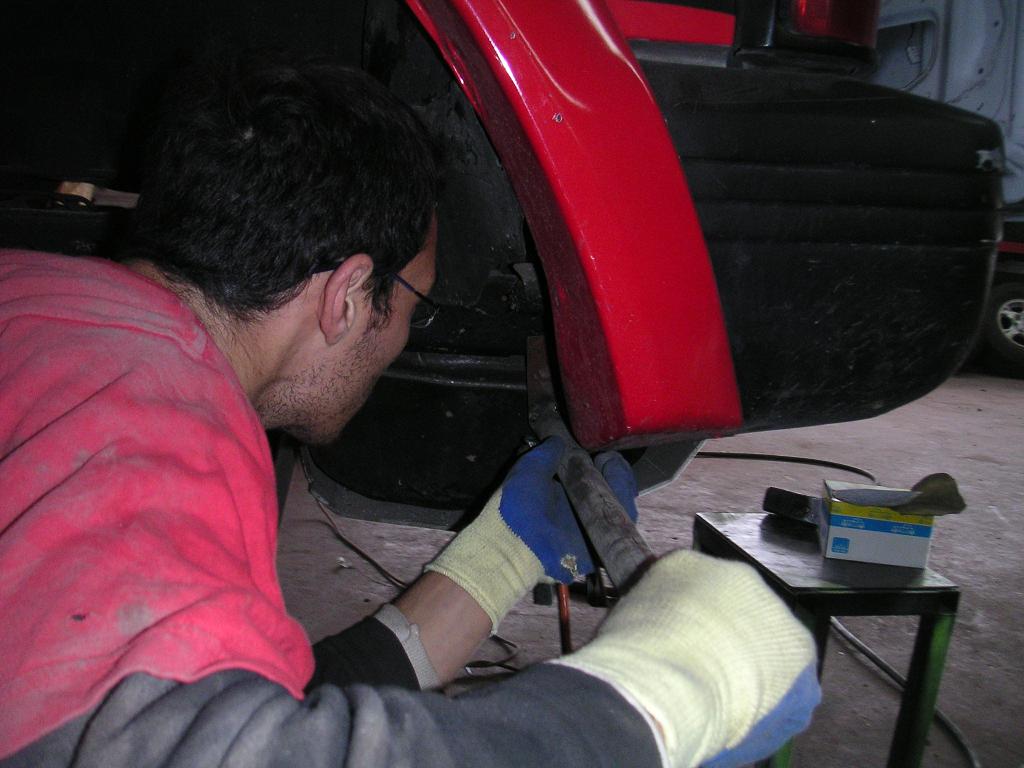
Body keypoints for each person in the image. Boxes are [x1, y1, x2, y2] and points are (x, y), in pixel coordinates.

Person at [0, 50, 820, 767]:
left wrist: (496, 561)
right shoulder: (150, 429)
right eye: (413, 306)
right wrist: (666, 692)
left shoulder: (45, 312)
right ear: (349, 295)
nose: (400, 340)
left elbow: (243, 700)